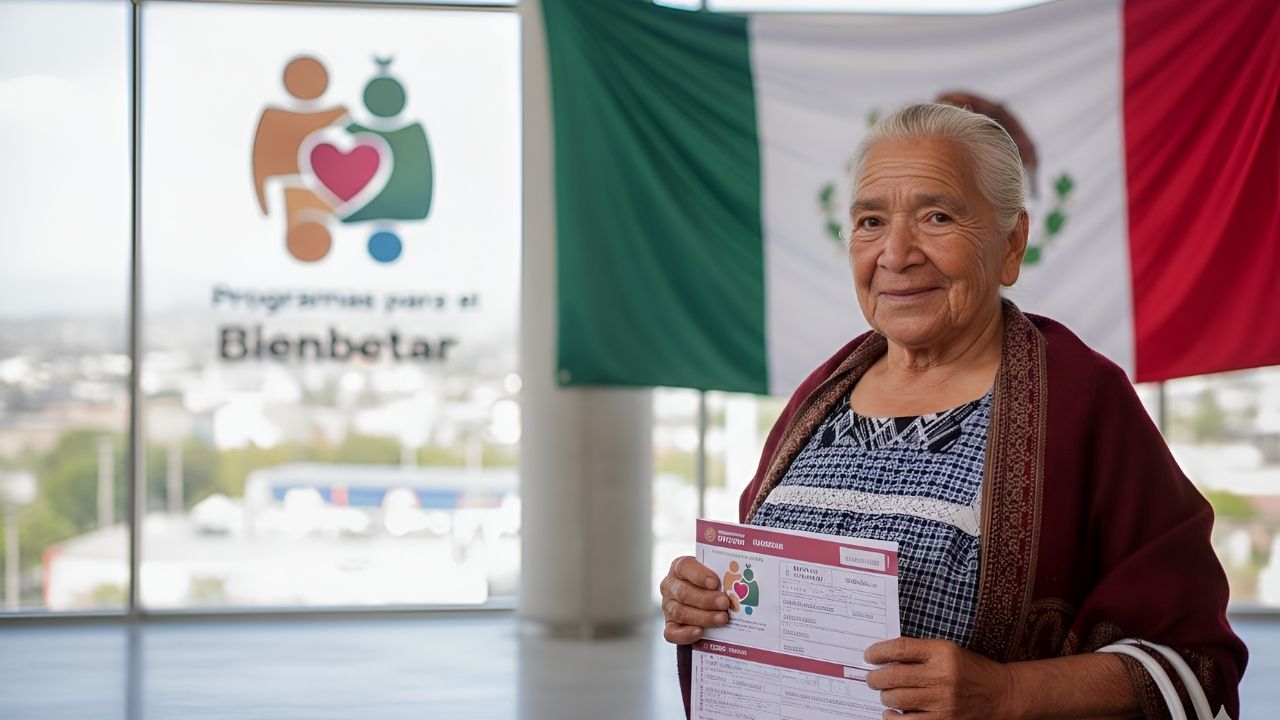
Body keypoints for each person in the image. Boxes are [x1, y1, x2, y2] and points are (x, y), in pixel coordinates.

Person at [659, 103, 1246, 719]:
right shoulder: (820, 397)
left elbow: (1196, 662)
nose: (896, 252)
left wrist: (1007, 694)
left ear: (1011, 243)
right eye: (870, 221)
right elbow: (760, 599)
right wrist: (704, 603)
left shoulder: (1082, 400)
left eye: (937, 216)